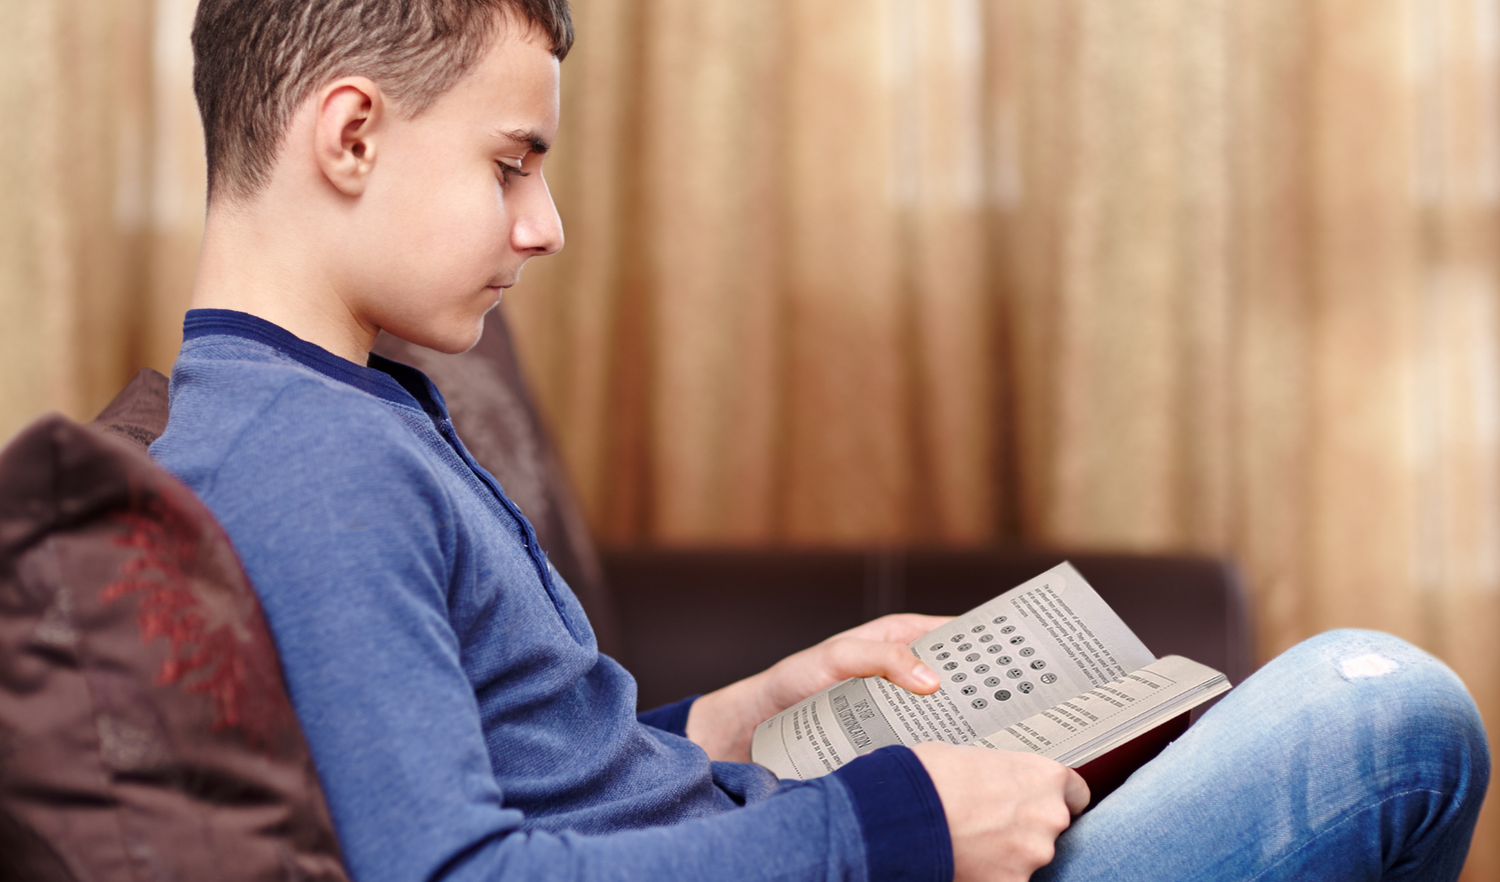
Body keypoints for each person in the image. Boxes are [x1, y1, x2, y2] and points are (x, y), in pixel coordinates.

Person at [150, 1, 1489, 880]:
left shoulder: (349, 407)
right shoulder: (307, 464)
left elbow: (521, 772)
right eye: (512, 163)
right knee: (1386, 708)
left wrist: (738, 721)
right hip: (863, 859)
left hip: (785, 828)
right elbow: (460, 875)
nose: (545, 225)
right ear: (351, 134)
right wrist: (900, 822)